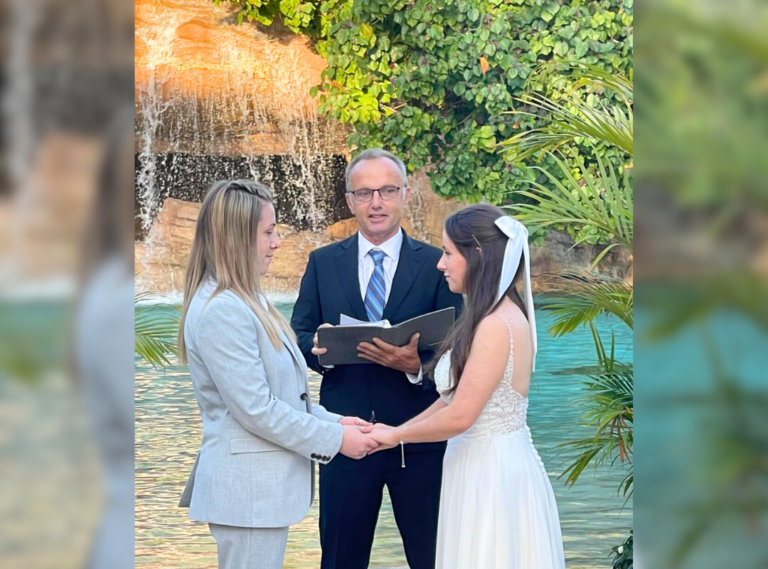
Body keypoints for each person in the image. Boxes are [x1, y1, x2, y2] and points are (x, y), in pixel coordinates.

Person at [176, 180, 378, 569]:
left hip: (257, 494)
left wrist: (337, 420)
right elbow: (256, 410)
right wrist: (337, 440)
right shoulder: (223, 309)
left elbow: (284, 396)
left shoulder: (249, 299)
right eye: (268, 233)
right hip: (247, 495)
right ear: (236, 239)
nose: (277, 242)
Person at [291, 149, 464, 569]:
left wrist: (414, 368)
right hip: (345, 438)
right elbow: (297, 334)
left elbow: (460, 350)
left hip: (418, 440)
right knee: (340, 559)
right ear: (349, 200)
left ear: (405, 194)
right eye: (364, 192)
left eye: (387, 191)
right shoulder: (322, 262)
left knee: (433, 556)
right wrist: (323, 354)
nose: (376, 203)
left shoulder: (436, 265)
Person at [370, 204, 566, 569]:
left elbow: (461, 416)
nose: (440, 264)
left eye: (447, 253)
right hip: (475, 463)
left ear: (476, 255)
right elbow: (452, 399)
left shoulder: (496, 324)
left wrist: (396, 438)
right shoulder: (489, 315)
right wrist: (396, 429)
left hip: (492, 474)